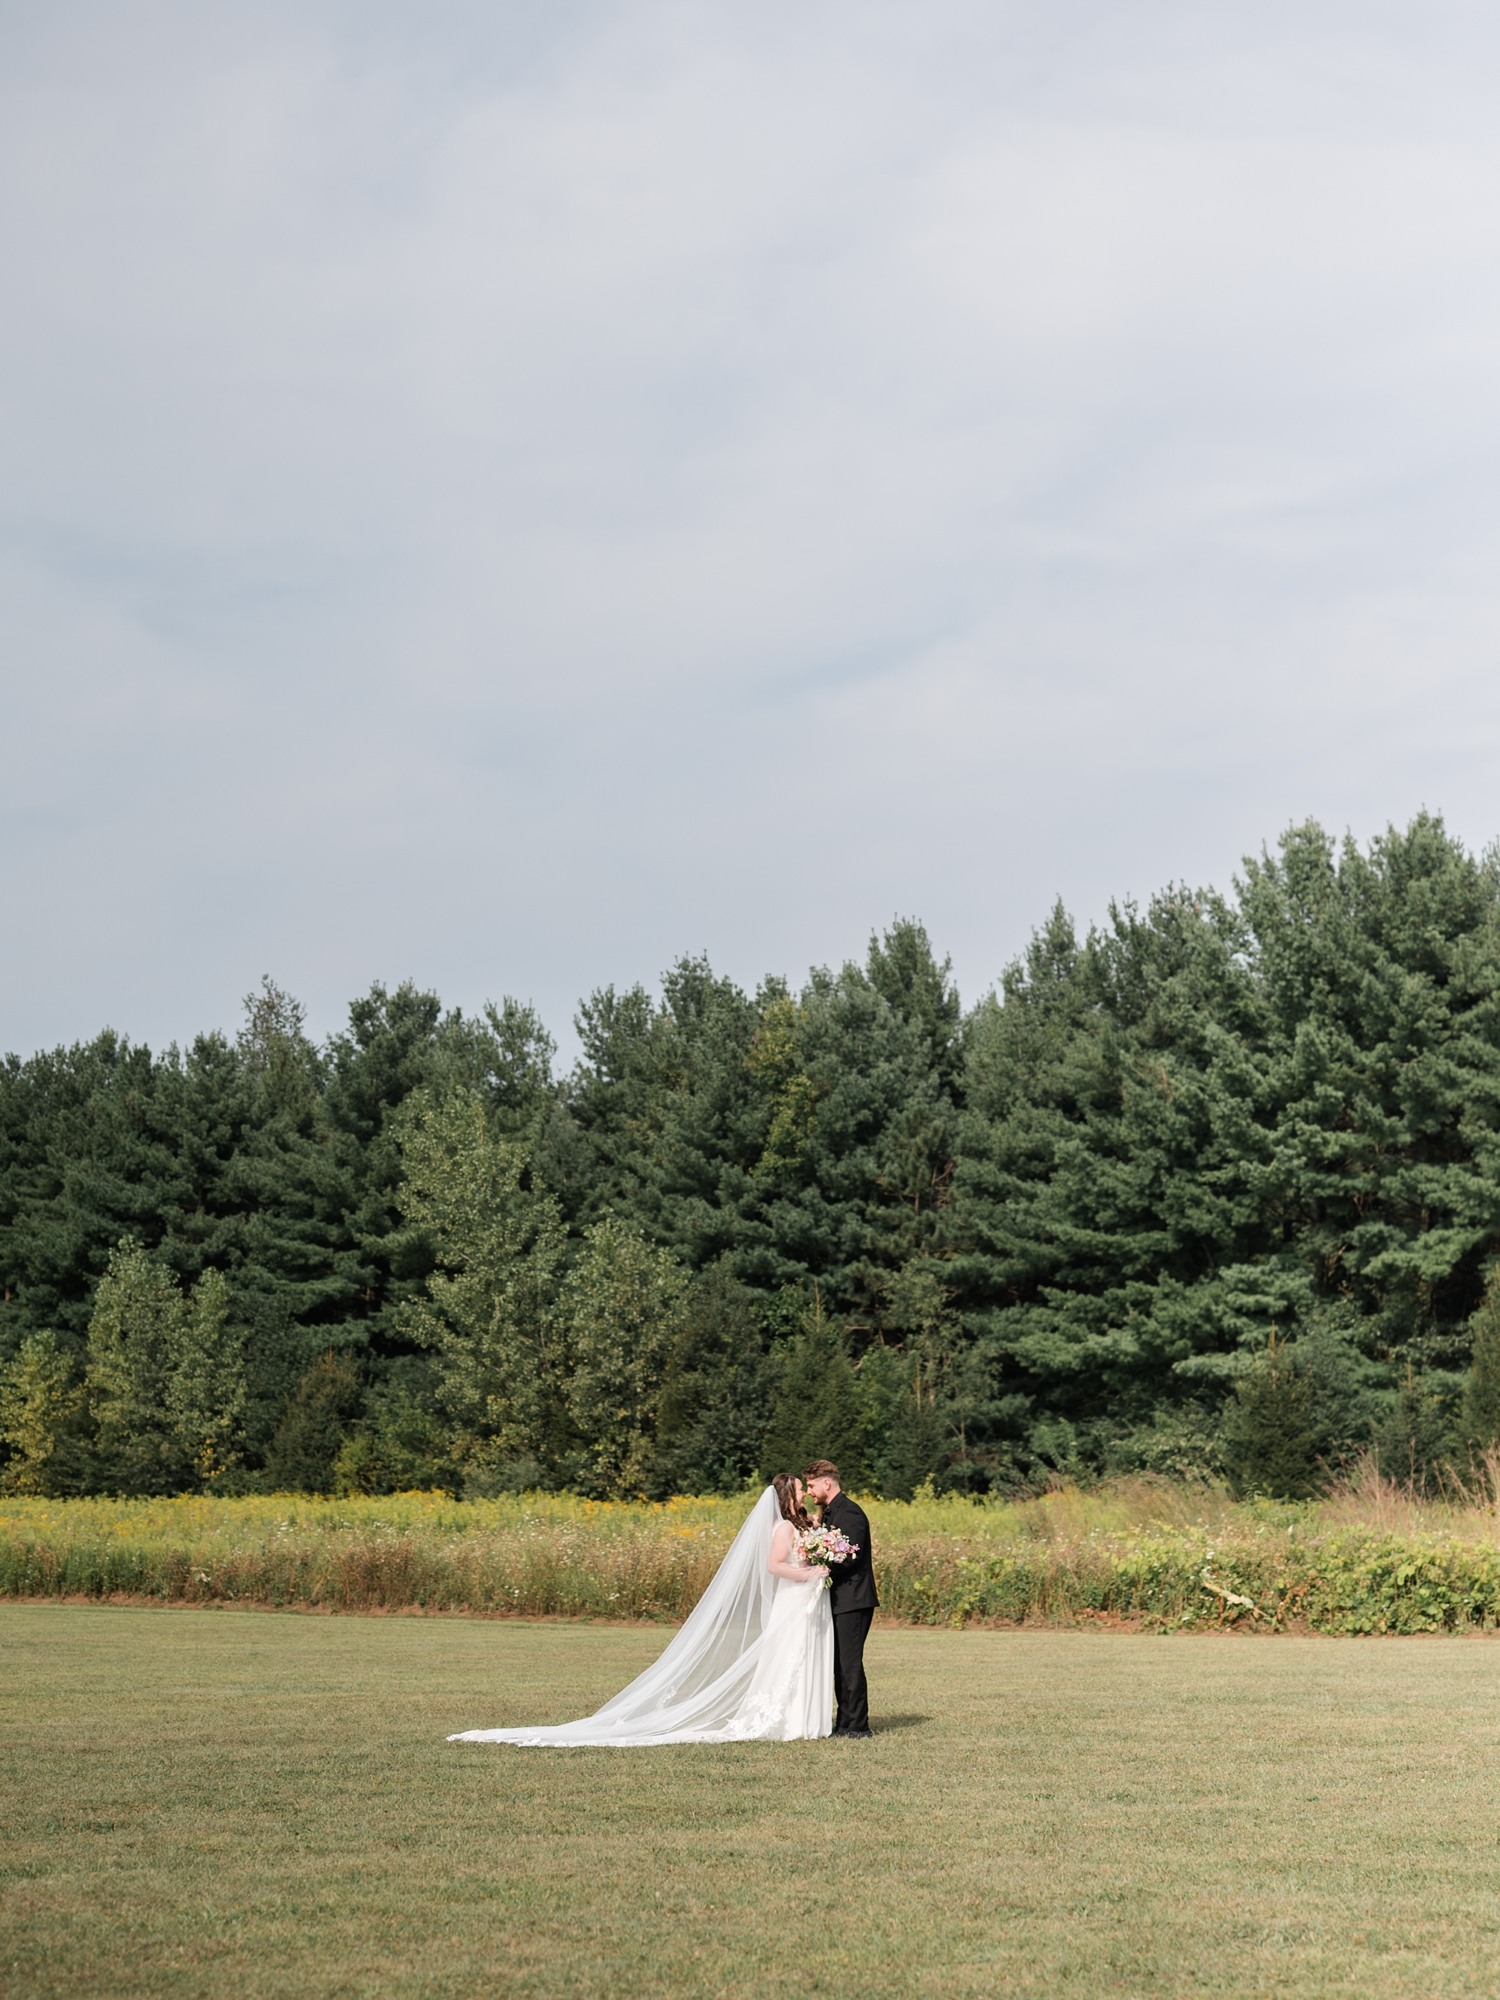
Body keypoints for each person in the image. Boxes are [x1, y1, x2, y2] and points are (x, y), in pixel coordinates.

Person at [447, 1474, 833, 1747]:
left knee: (799, 1657)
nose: (803, 1493)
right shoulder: (782, 1528)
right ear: (788, 1495)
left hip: (805, 1602)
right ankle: (781, 1719)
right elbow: (774, 1567)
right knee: (785, 1659)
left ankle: (801, 1719)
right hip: (794, 1597)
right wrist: (809, 1572)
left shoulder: (802, 1524)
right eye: (800, 1489)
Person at [803, 1458, 877, 1738]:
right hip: (837, 1599)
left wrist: (819, 1562)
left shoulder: (850, 1512)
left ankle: (859, 1725)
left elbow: (851, 1557)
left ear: (826, 1482)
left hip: (854, 1600)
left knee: (849, 1663)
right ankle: (844, 1722)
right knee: (838, 1665)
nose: (810, 1492)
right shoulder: (830, 1512)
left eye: (811, 1485)